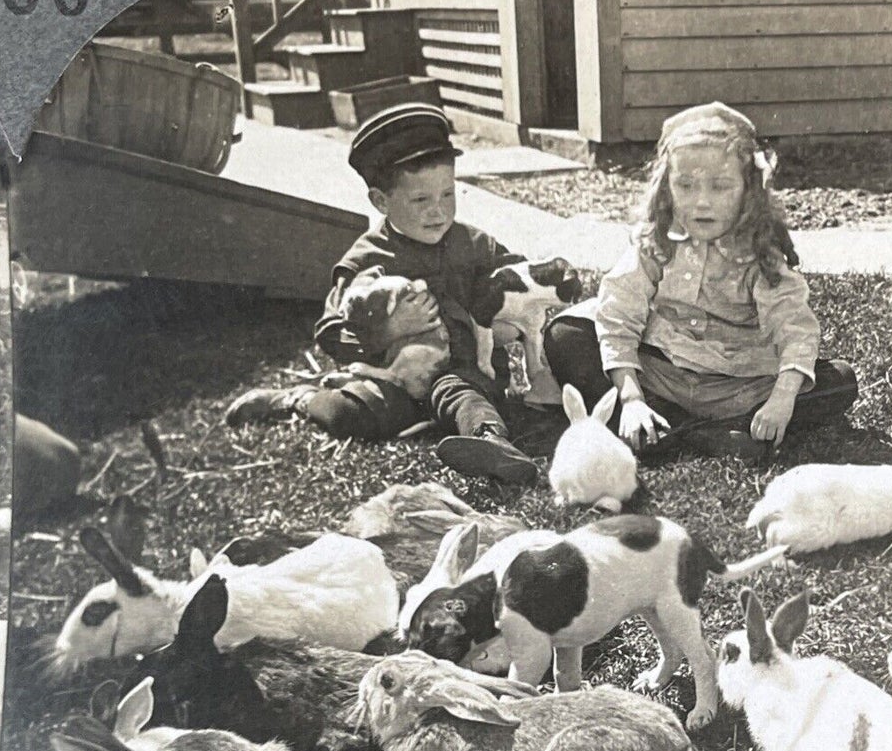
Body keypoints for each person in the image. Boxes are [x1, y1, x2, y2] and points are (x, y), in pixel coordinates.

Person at [225, 102, 539, 485]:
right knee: (348, 414)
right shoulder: (368, 257)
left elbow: (519, 279)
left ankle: (490, 443)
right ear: (380, 201)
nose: (438, 212)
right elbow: (330, 328)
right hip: (395, 379)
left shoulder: (473, 243)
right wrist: (387, 331)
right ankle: (300, 399)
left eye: (448, 195)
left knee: (463, 395)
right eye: (420, 200)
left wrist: (509, 305)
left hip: (463, 371)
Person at [543, 101, 858, 465]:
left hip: (737, 382)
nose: (702, 202)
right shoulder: (656, 240)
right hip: (661, 372)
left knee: (840, 380)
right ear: (666, 188)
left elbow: (794, 328)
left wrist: (782, 399)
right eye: (686, 185)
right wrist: (631, 399)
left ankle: (680, 432)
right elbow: (618, 313)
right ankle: (682, 427)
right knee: (566, 333)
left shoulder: (760, 252)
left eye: (721, 186)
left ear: (748, 190)